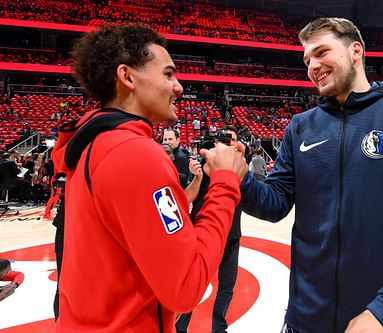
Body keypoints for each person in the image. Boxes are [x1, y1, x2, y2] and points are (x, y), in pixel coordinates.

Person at [239, 17, 383, 333]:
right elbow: (275, 204)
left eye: (321, 52)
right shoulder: (300, 127)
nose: (313, 65)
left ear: (356, 51)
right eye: (307, 59)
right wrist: (238, 178)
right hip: (305, 319)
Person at [51, 24, 247, 333]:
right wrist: (225, 183)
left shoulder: (90, 144)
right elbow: (186, 287)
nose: (179, 87)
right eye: (168, 74)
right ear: (127, 77)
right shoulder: (136, 154)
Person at [176, 125, 243, 333]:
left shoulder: (242, 166)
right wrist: (197, 177)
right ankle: (180, 328)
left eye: (231, 140)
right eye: (223, 139)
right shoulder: (203, 165)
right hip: (203, 231)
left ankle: (219, 330)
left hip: (231, 236)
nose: (227, 144)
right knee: (194, 283)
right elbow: (188, 198)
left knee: (226, 288)